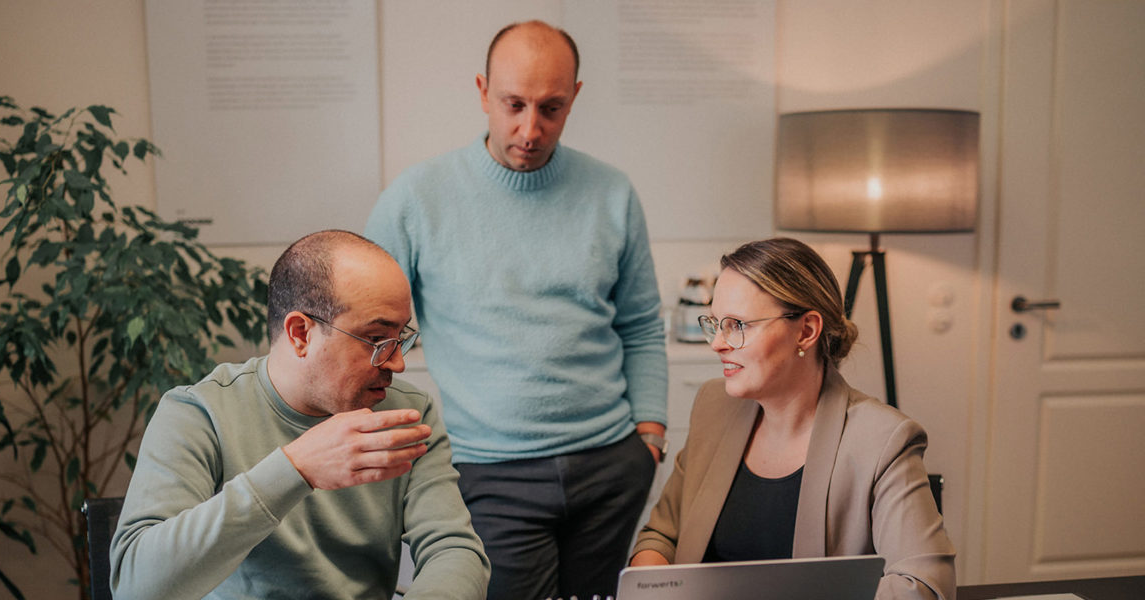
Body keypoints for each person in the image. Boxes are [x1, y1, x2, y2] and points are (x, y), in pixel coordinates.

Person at [363, 20, 668, 600]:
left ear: (575, 97)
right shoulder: (416, 198)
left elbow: (640, 324)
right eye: (514, 105)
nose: (530, 130)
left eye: (551, 108)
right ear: (483, 92)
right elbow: (366, 330)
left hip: (611, 464)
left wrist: (649, 435)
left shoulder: (612, 192)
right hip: (487, 472)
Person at [109, 230, 490, 600]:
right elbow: (136, 588)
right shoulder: (198, 413)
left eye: (400, 338)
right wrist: (296, 469)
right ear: (300, 334)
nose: (397, 363)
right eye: (376, 340)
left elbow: (453, 550)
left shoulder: (407, 414)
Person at [631, 238, 956, 600]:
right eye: (715, 323)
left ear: (806, 331)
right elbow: (662, 536)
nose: (717, 343)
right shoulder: (714, 406)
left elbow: (924, 586)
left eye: (737, 325)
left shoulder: (883, 441)